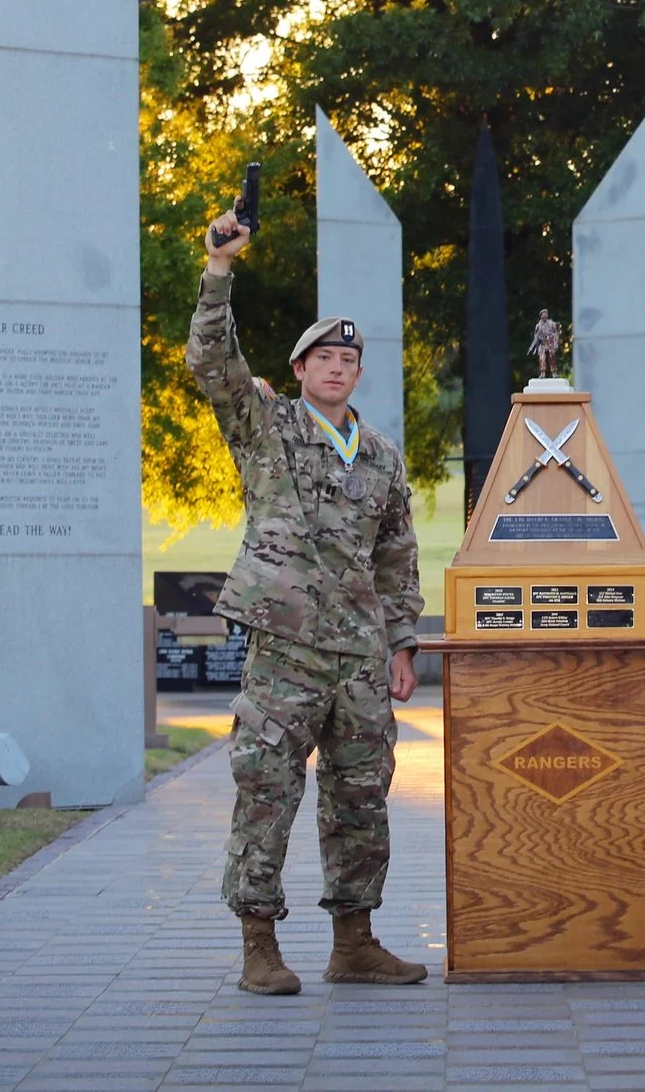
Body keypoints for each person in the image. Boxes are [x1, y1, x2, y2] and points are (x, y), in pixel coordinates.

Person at [186, 205, 428, 996]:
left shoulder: (381, 456)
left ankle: (354, 940)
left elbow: (395, 556)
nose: (337, 368)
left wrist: (402, 642)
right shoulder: (268, 427)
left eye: (348, 359)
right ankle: (259, 943)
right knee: (268, 787)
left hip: (358, 652)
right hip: (285, 646)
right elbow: (211, 361)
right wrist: (219, 268)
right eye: (323, 357)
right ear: (298, 368)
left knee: (361, 794)